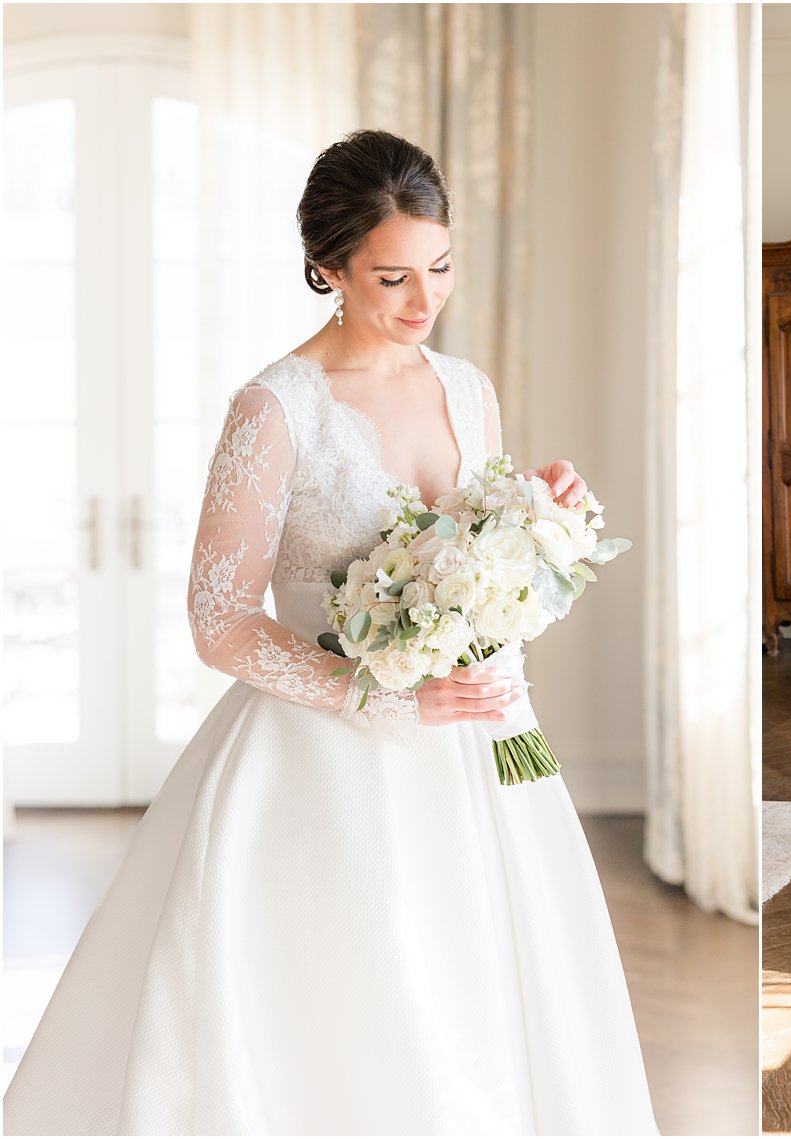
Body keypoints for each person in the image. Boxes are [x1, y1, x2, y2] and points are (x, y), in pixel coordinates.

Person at [3, 130, 659, 1133]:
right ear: (326, 267)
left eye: (438, 268)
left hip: (482, 747)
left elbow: (473, 548)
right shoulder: (275, 410)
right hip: (326, 758)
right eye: (390, 276)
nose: (421, 299)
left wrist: (541, 516)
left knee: (498, 991)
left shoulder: (468, 387)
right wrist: (382, 690)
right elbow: (218, 622)